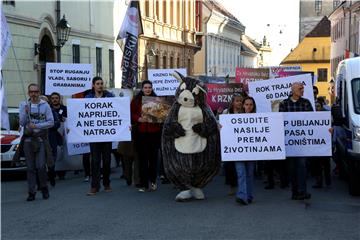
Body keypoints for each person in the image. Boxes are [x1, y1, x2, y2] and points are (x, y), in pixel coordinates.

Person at [279, 82, 314, 200]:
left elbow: (313, 121)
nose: (302, 90)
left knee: (302, 166)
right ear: (293, 90)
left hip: (303, 142)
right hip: (290, 142)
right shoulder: (284, 104)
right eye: (300, 88)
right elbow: (280, 121)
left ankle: (302, 191)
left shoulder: (306, 103)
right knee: (292, 168)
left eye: (303, 88)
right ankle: (295, 192)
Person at [19, 83, 54, 201]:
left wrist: (37, 125)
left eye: (36, 92)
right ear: (28, 93)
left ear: (39, 92)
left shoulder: (45, 105)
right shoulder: (24, 104)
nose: (33, 94)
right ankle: (31, 192)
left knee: (40, 166)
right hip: (28, 140)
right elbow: (22, 123)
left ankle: (44, 187)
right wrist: (25, 112)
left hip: (40, 139)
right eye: (31, 92)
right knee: (30, 167)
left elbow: (51, 122)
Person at [85, 76, 115, 196]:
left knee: (107, 161)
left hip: (106, 135)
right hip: (94, 136)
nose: (100, 85)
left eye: (101, 83)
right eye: (97, 83)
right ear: (93, 85)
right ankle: (94, 186)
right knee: (95, 161)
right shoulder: (88, 98)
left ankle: (106, 183)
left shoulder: (110, 96)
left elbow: (118, 110)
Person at [131, 80, 162, 192]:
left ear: (152, 88)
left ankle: (153, 181)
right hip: (141, 133)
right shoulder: (136, 101)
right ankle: (144, 184)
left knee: (153, 159)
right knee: (143, 159)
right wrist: (138, 118)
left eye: (149, 87)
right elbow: (131, 113)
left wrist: (159, 113)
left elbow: (162, 114)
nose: (148, 89)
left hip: (154, 133)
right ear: (142, 89)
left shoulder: (157, 100)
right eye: (145, 87)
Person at [219, 93, 244, 195]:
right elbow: (221, 124)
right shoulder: (226, 112)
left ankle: (242, 186)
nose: (239, 103)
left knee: (241, 166)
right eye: (237, 101)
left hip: (242, 142)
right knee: (229, 166)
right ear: (233, 102)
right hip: (230, 142)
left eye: (241, 101)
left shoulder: (245, 112)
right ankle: (232, 186)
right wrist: (219, 115)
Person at [234, 96, 257, 205]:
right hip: (239, 152)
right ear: (243, 105)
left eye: (251, 105)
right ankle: (242, 195)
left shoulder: (259, 118)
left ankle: (249, 195)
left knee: (249, 174)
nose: (248, 106)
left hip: (252, 152)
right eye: (246, 104)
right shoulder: (235, 118)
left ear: (253, 106)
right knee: (241, 173)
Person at [311, 99, 331, 188]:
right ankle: (318, 181)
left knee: (326, 163)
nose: (316, 108)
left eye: (318, 106)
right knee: (316, 163)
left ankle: (327, 181)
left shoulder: (327, 114)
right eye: (315, 106)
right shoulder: (310, 115)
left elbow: (331, 125)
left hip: (325, 143)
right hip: (315, 143)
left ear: (322, 105)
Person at [49, 92, 67, 179]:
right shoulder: (48, 109)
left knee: (63, 150)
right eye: (53, 98)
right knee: (54, 151)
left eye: (56, 98)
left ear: (59, 99)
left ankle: (62, 171)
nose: (55, 100)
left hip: (64, 133)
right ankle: (53, 170)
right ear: (50, 100)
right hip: (53, 133)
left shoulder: (65, 108)